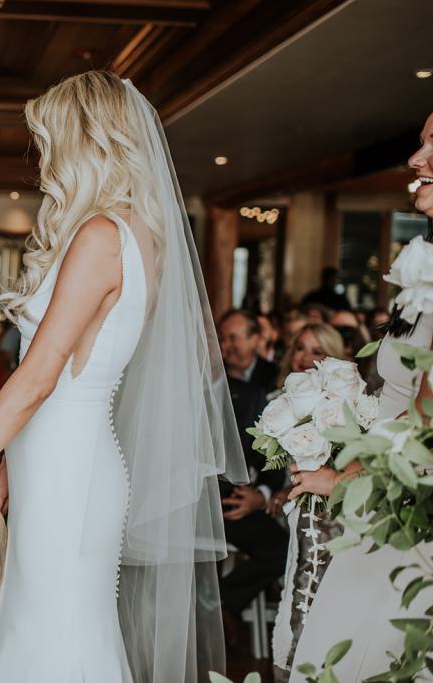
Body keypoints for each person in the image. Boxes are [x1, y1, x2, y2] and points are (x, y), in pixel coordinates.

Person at [0, 71, 247, 682]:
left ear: (83, 140)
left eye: (48, 139)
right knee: (47, 626)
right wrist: (7, 466)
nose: (41, 156)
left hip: (70, 473)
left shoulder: (100, 237)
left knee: (53, 637)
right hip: (63, 460)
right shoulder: (135, 233)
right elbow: (74, 370)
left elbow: (41, 376)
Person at [289, 111, 433, 681]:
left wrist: (344, 480)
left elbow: (428, 416)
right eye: (420, 144)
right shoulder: (425, 266)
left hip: (409, 512)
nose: (416, 160)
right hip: (393, 501)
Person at [256, 323, 346, 680]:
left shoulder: (346, 409)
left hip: (326, 511)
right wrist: (274, 491)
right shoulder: (275, 406)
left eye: (317, 351)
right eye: (300, 348)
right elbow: (268, 469)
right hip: (287, 505)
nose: (306, 358)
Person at [218, 373, 287, 645]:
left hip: (229, 505)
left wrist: (259, 496)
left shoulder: (248, 394)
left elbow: (267, 461)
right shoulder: (164, 387)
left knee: (281, 548)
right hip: (171, 507)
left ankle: (220, 602)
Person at [219, 308, 279, 392]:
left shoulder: (274, 375)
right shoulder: (212, 373)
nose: (223, 345)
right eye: (221, 339)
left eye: (233, 338)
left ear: (254, 340)